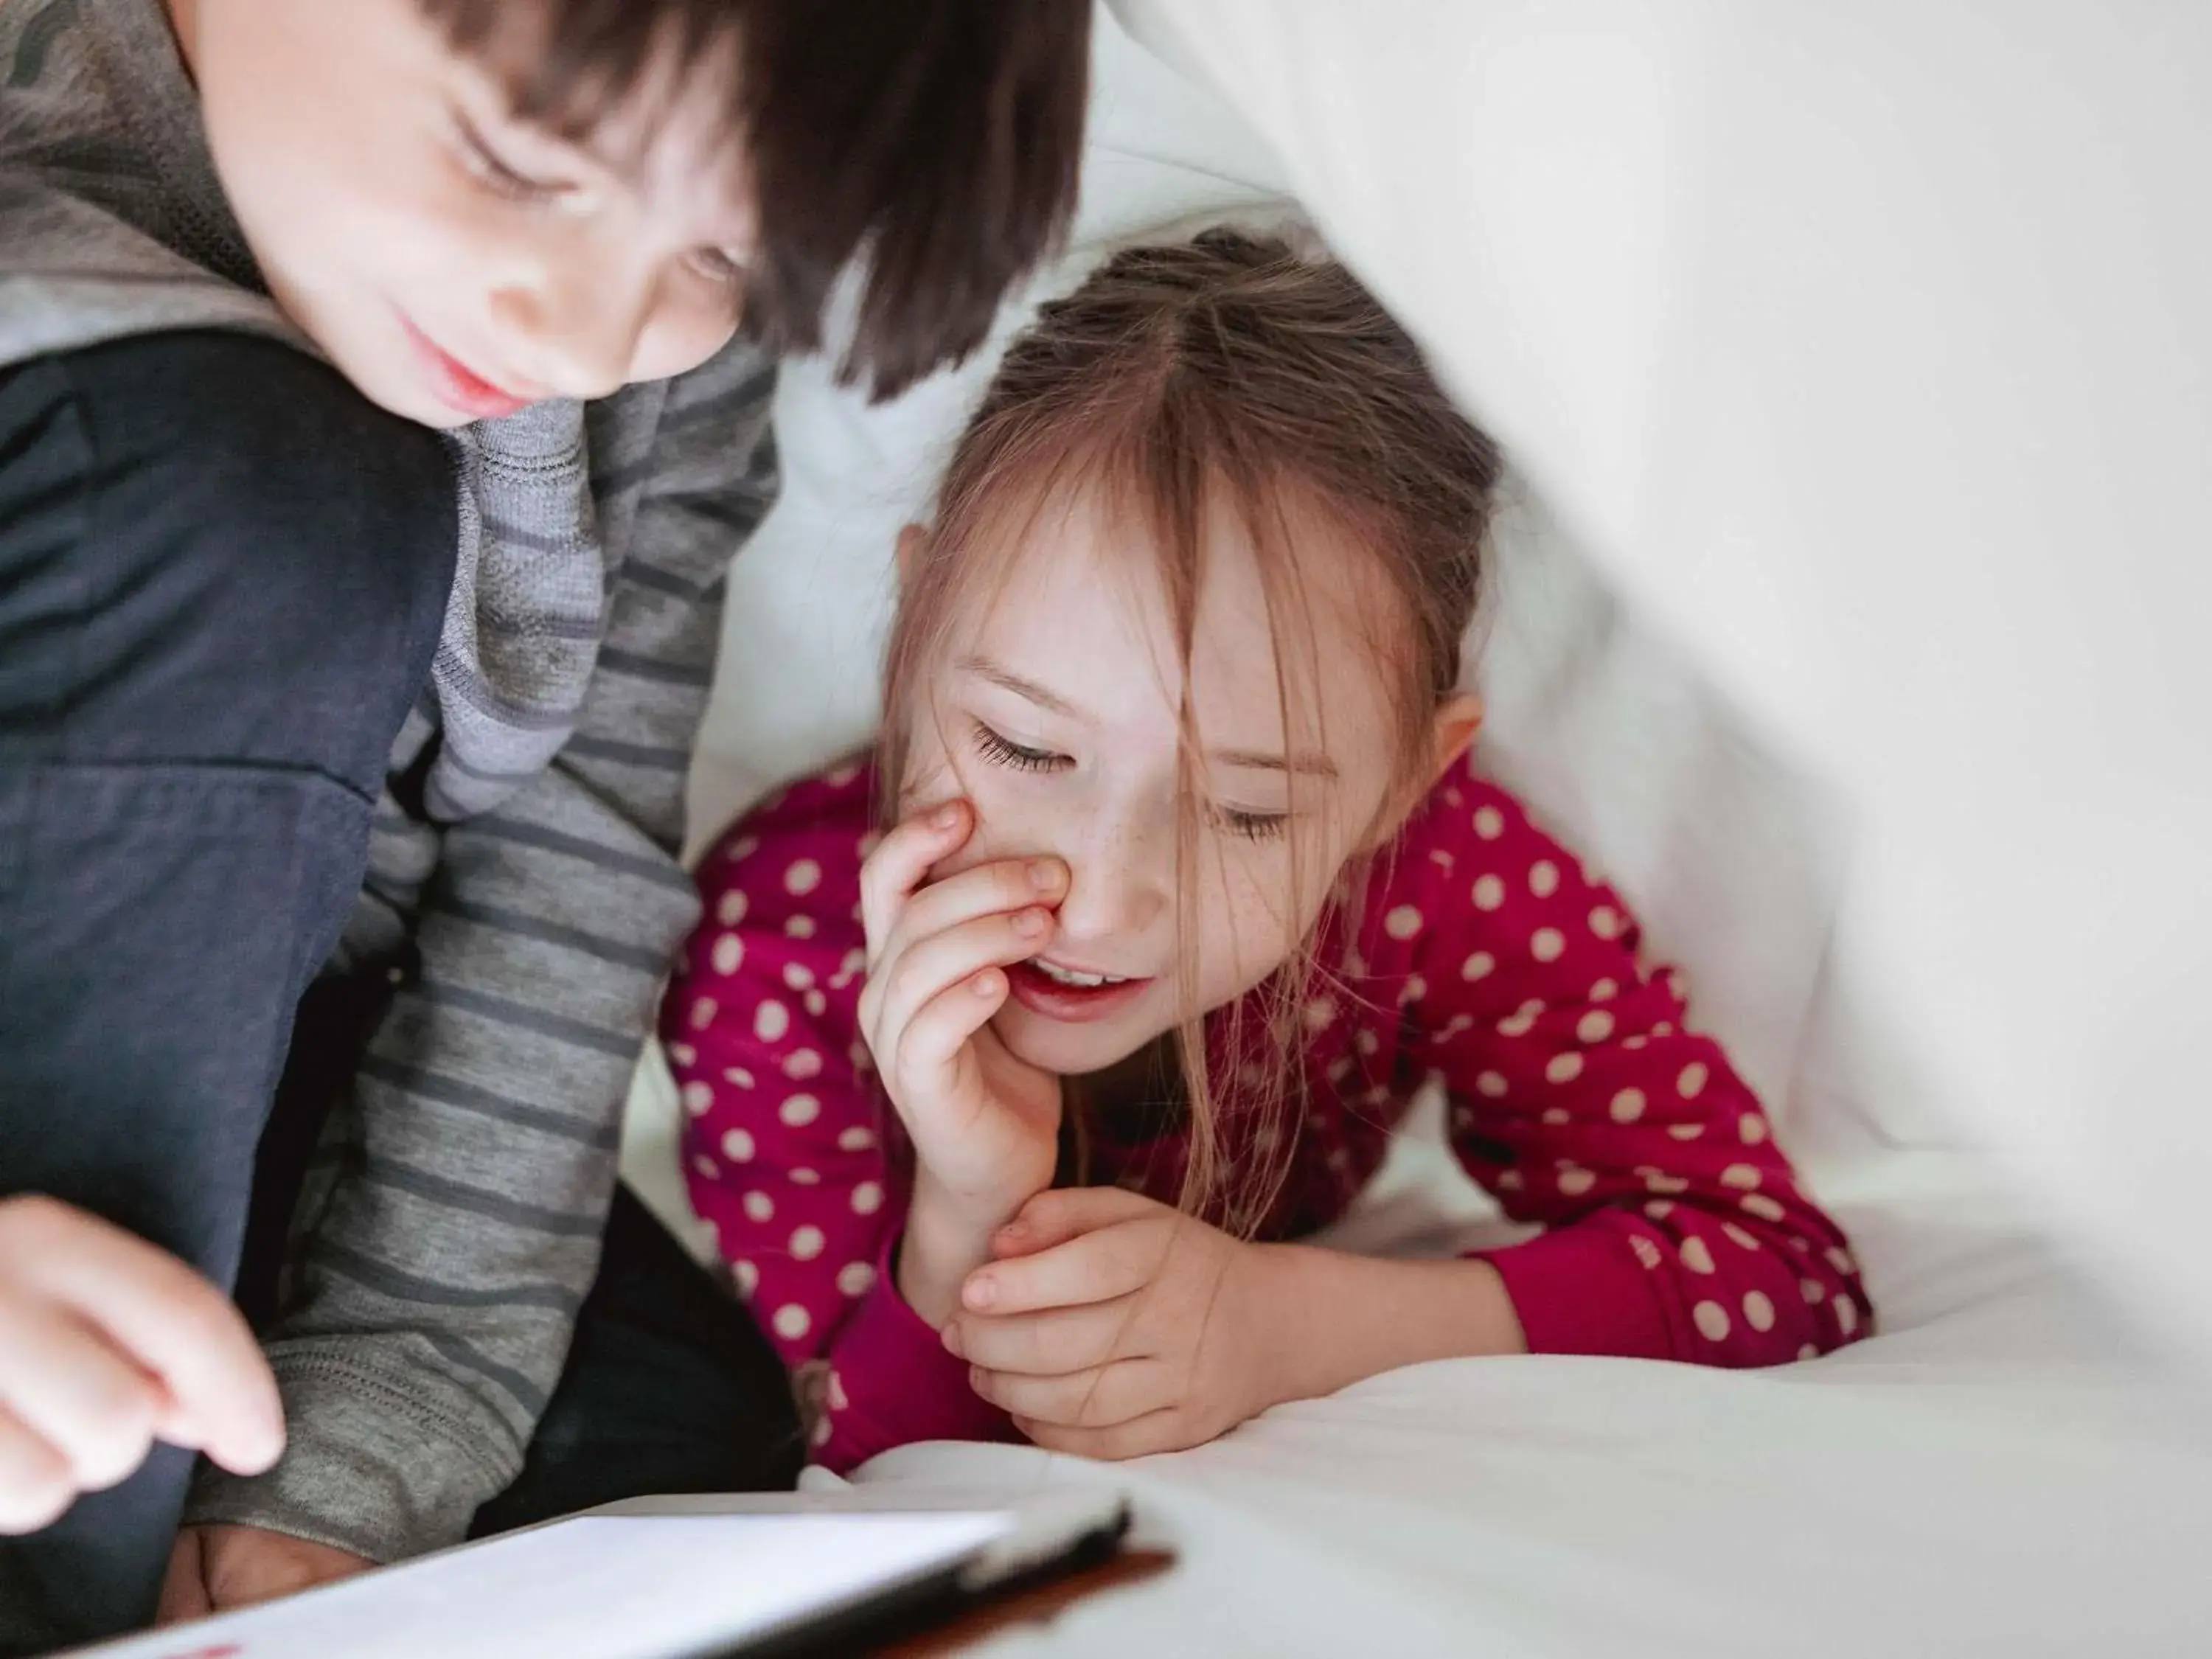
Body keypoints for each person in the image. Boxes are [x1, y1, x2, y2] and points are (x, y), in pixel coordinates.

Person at [0, 0, 1090, 1649]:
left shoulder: (657, 379)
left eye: (726, 256)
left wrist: (356, 1460)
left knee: (671, 1440)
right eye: (520, 163)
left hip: (267, 1047)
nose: (589, 340)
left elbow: (564, 871)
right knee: (281, 502)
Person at [662, 231, 1873, 1472]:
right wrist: (969, 1206)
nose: (1099, 904)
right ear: (914, 631)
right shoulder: (780, 950)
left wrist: (1289, 1322)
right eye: (1024, 747)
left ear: (1408, 779)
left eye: (1247, 812)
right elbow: (859, 1465)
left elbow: (1776, 1271)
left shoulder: (1441, 876)